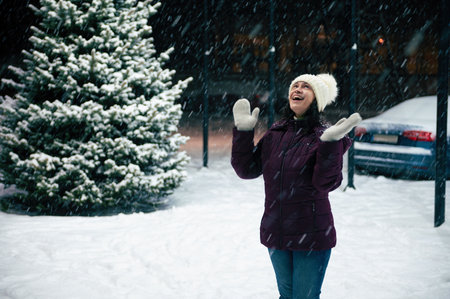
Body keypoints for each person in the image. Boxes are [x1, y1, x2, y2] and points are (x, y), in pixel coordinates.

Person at [231, 73, 361, 299]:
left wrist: (330, 144)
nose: (298, 90)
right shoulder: (276, 133)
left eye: (306, 87)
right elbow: (247, 170)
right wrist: (243, 132)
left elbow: (326, 183)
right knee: (286, 296)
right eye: (295, 86)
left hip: (310, 236)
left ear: (317, 99)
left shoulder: (325, 136)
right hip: (276, 232)